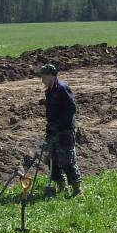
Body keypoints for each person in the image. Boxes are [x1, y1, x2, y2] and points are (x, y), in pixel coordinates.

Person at [39, 63, 82, 197]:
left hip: (65, 131)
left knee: (67, 159)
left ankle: (77, 189)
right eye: (42, 76)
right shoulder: (49, 91)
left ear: (52, 76)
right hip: (53, 130)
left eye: (45, 76)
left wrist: (60, 124)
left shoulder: (62, 88)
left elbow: (71, 109)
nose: (42, 79)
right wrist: (50, 127)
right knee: (52, 159)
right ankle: (61, 185)